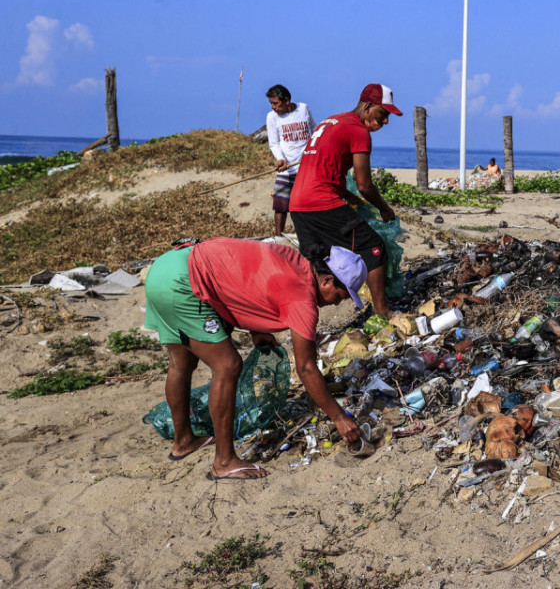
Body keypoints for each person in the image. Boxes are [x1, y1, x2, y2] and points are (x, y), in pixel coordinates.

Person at [144, 238, 367, 480]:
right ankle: (224, 461)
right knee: (228, 366)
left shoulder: (291, 258)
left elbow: (248, 277)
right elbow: (306, 368)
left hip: (166, 267)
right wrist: (339, 418)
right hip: (184, 284)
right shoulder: (302, 299)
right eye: (340, 295)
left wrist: (257, 330)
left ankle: (184, 441)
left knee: (181, 363)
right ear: (326, 279)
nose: (336, 303)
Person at [289, 83, 402, 318]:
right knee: (373, 248)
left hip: (298, 203)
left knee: (315, 261)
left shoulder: (331, 121)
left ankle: (304, 316)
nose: (385, 122)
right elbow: (365, 184)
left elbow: (331, 173)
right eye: (383, 115)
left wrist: (352, 200)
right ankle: (383, 312)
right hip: (321, 201)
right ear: (368, 107)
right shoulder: (358, 130)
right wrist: (385, 209)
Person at [265, 85, 315, 236]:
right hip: (286, 169)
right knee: (280, 206)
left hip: (306, 168)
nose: (274, 107)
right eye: (271, 104)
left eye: (276, 103)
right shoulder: (272, 117)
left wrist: (314, 150)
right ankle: (279, 237)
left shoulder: (303, 109)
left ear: (286, 100)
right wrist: (281, 159)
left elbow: (314, 128)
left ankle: (308, 236)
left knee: (306, 205)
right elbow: (274, 143)